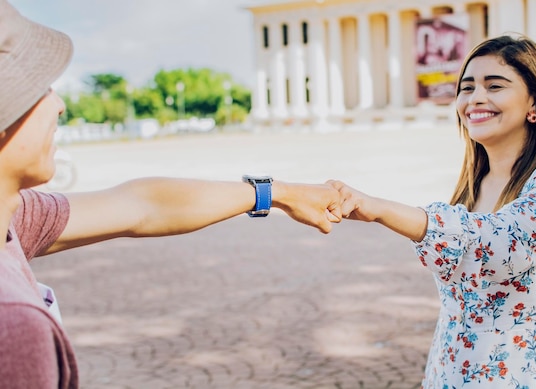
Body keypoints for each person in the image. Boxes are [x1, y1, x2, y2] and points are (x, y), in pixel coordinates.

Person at [0, 1, 342, 387]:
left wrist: (278, 194)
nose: (58, 105)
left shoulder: (12, 221)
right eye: (40, 87)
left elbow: (144, 205)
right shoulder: (12, 324)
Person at [330, 34, 536, 388]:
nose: (476, 98)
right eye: (467, 87)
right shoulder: (468, 194)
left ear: (533, 103)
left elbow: (496, 247)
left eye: (495, 86)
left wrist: (378, 208)